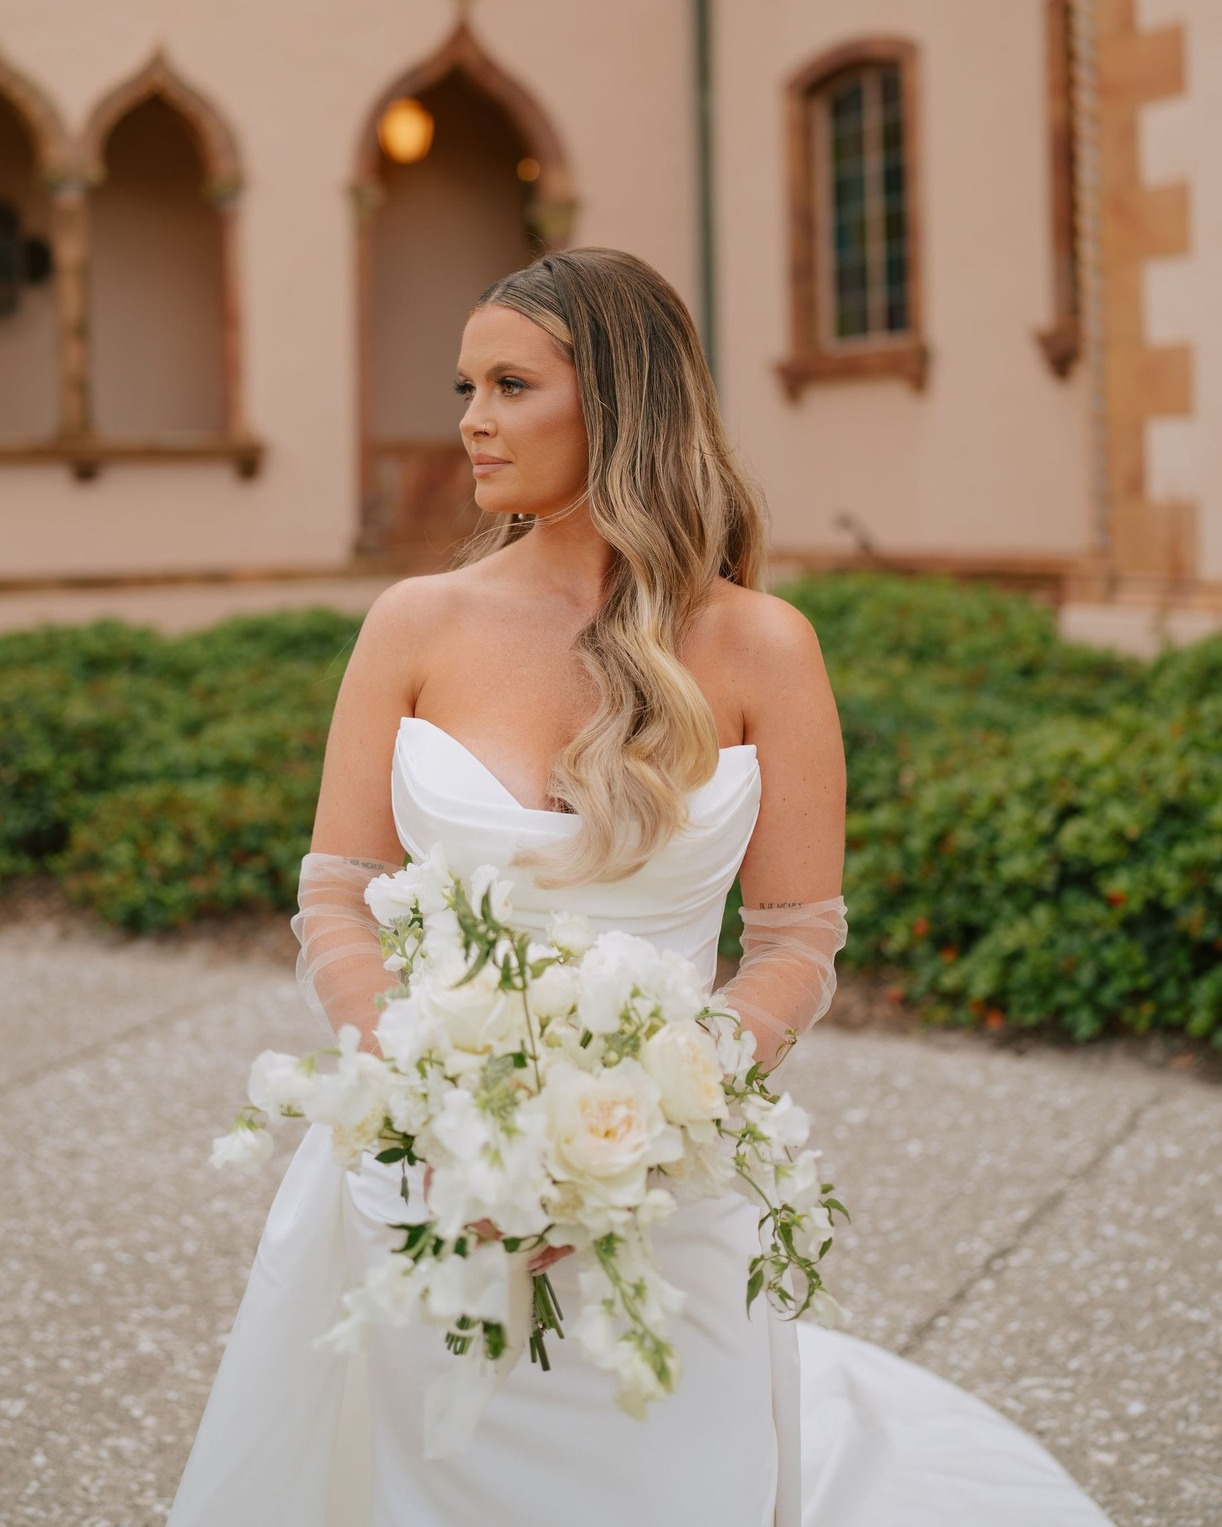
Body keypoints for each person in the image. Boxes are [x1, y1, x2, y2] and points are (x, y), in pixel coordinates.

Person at [169, 248, 1113, 1526]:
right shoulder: (415, 623)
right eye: (466, 385)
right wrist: (418, 1087)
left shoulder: (762, 648)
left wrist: (667, 1113)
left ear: (618, 402)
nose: (472, 420)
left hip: (663, 1192)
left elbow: (793, 938)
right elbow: (337, 891)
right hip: (422, 1187)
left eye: (512, 384)